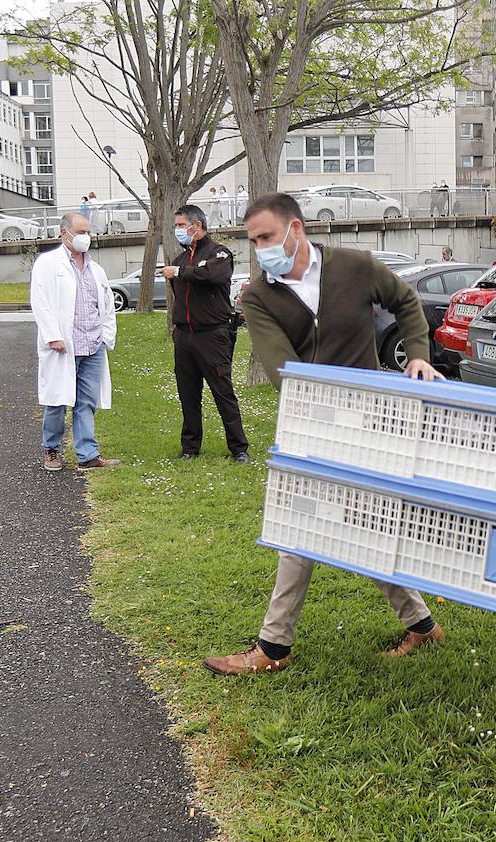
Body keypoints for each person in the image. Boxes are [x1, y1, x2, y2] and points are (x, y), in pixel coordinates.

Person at [203, 193, 445, 676]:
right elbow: (282, 369)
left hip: (375, 423)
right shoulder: (258, 297)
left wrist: (418, 352)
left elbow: (405, 300)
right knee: (314, 525)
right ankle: (414, 623)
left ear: (296, 229)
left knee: (353, 524)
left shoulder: (354, 266)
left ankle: (276, 649)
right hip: (314, 424)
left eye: (267, 236)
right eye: (253, 241)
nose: (261, 248)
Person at [31, 212, 120, 472]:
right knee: (58, 400)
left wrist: (105, 336)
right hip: (63, 346)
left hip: (92, 344)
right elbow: (40, 302)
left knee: (86, 402)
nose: (85, 237)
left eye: (88, 232)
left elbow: (105, 305)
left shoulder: (96, 269)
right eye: (80, 232)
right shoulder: (48, 264)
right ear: (64, 233)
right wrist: (52, 335)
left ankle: (87, 455)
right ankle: (52, 449)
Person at [159, 204, 248, 462]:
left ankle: (239, 448)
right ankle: (190, 447)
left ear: (196, 225)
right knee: (188, 394)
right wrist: (179, 271)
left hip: (212, 335)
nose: (177, 230)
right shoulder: (181, 259)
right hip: (185, 336)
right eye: (175, 225)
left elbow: (211, 275)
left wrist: (179, 273)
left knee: (223, 392)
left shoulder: (219, 254)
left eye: (180, 225)